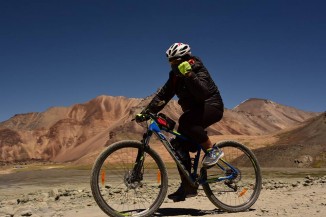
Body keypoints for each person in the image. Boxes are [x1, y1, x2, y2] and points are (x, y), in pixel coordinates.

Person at [136, 42, 224, 202]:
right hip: (194, 112)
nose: (173, 65)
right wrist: (147, 112)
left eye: (175, 61)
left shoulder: (197, 68)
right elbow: (163, 95)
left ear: (185, 59)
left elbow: (203, 93)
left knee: (186, 121)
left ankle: (213, 151)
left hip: (212, 106)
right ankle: (188, 186)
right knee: (178, 145)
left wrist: (190, 75)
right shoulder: (174, 77)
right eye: (171, 62)